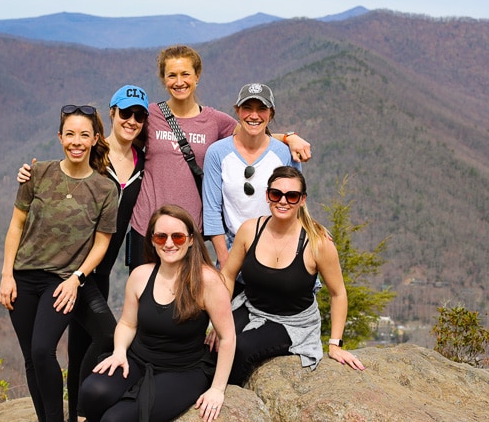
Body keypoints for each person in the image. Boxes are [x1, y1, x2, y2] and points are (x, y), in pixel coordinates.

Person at [16, 86, 150, 422]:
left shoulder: (145, 160)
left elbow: (208, 137)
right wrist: (27, 176)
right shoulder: (91, 161)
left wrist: (282, 135)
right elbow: (56, 178)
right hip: (67, 272)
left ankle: (78, 411)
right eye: (125, 113)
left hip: (97, 274)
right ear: (112, 115)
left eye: (139, 115)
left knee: (88, 344)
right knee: (49, 349)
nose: (131, 120)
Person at [128, 45, 313, 271]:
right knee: (143, 297)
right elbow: (122, 138)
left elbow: (252, 130)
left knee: (187, 303)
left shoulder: (215, 120)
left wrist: (288, 137)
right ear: (163, 79)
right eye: (172, 75)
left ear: (197, 76)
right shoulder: (150, 114)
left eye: (185, 74)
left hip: (190, 231)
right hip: (147, 225)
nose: (179, 81)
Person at [0, 104, 119, 422]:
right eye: (69, 134)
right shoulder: (38, 174)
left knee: (42, 349)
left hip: (61, 279)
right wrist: (6, 275)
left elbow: (102, 242)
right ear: (59, 137)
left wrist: (77, 277)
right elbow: (16, 225)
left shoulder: (105, 189)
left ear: (95, 138)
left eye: (83, 135)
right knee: (31, 358)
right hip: (23, 276)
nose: (76, 141)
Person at [79, 204, 235, 422]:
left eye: (178, 237)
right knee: (92, 392)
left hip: (183, 370)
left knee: (116, 419)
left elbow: (227, 337)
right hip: (138, 359)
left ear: (191, 240)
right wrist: (120, 352)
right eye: (161, 237)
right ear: (152, 240)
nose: (169, 243)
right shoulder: (141, 276)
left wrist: (217, 389)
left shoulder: (207, 281)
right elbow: (127, 323)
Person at [211, 166, 364, 386]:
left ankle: (228, 402)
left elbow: (338, 293)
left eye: (292, 196)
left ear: (302, 200)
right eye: (276, 194)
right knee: (214, 344)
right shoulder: (249, 230)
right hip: (251, 306)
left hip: (293, 322)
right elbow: (227, 274)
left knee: (240, 347)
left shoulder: (317, 242)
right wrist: (220, 319)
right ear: (267, 196)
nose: (283, 201)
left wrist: (335, 344)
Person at [202, 83, 301, 269]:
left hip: (278, 250)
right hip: (233, 250)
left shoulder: (286, 154)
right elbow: (211, 208)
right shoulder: (217, 153)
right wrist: (224, 258)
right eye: (247, 108)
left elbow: (295, 206)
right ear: (237, 111)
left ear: (271, 113)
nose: (254, 116)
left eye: (261, 109)